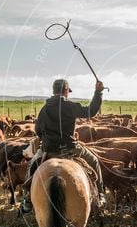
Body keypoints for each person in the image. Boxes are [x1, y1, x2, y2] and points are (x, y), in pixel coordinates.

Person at [19, 78, 107, 213]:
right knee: (94, 161)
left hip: (48, 149)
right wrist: (98, 92)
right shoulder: (70, 106)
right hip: (70, 148)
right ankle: (101, 195)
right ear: (66, 91)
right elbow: (91, 111)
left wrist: (47, 139)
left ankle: (27, 199)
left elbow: (38, 130)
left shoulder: (44, 109)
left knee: (32, 165)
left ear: (53, 91)